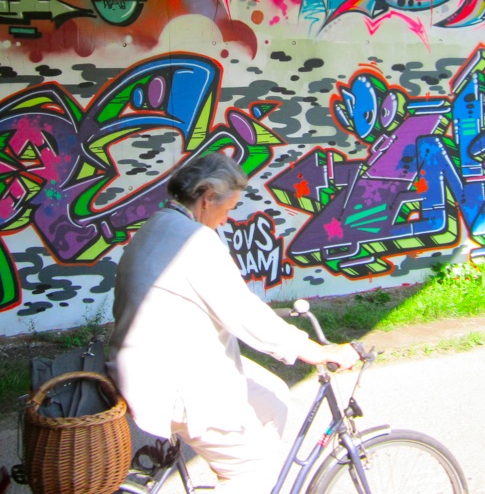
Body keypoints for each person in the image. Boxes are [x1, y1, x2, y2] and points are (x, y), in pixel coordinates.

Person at [107, 153, 359, 493]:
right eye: (228, 209)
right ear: (207, 197)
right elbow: (243, 312)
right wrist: (316, 351)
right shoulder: (194, 241)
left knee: (273, 398)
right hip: (176, 382)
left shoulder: (158, 224)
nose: (227, 219)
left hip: (152, 365)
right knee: (254, 472)